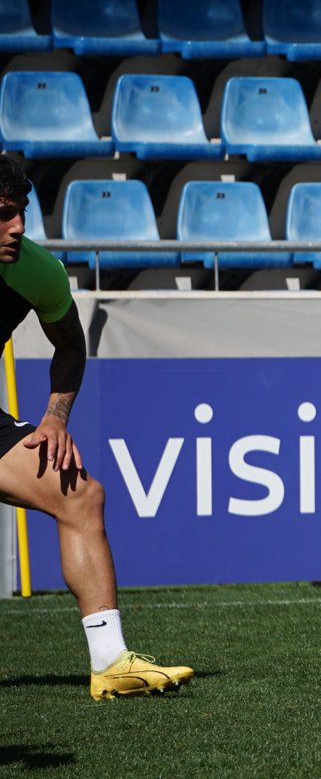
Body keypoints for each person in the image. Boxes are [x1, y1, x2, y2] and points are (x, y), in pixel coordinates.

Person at [0, 155, 193, 700]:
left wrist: (56, 417)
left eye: (21, 214)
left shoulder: (34, 270)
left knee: (80, 495)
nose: (17, 227)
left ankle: (110, 663)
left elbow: (69, 344)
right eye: (3, 214)